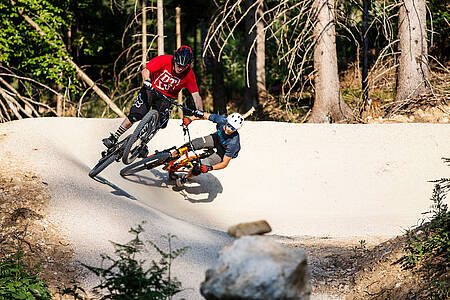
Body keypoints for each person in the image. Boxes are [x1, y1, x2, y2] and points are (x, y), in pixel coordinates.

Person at [102, 45, 204, 149]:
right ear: (174, 60)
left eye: (184, 66)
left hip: (166, 98)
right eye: (178, 65)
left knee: (160, 123)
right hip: (151, 89)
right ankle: (114, 137)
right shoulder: (164, 60)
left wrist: (200, 110)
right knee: (135, 115)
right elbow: (146, 70)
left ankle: (142, 144)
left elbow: (196, 95)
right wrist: (147, 80)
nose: (180, 68)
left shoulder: (189, 75)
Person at [173, 112, 244, 187]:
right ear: (227, 121)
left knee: (199, 167)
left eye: (233, 128)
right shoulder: (222, 120)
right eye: (229, 125)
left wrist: (210, 168)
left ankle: (185, 178)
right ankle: (172, 155)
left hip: (223, 152)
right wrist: (190, 119)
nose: (229, 129)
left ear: (237, 129)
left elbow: (224, 163)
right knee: (192, 144)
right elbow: (204, 115)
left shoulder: (233, 143)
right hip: (216, 138)